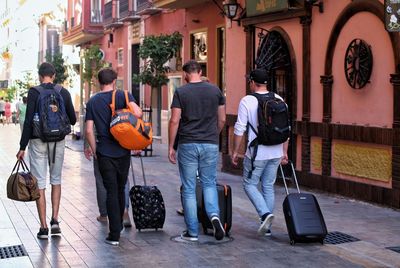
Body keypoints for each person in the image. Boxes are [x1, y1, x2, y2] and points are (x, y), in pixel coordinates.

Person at [16, 62, 77, 239]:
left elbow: (28, 121)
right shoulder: (63, 92)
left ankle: (43, 228)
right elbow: (72, 120)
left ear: (39, 75)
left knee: (40, 183)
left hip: (37, 141)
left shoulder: (34, 92)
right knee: (56, 179)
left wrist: (22, 147)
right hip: (57, 141)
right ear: (54, 75)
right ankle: (55, 220)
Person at [168, 60, 226, 242]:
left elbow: (174, 121)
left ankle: (192, 232)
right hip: (210, 143)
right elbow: (222, 119)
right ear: (200, 71)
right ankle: (214, 216)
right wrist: (212, 135)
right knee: (209, 182)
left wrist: (171, 146)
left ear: (185, 74)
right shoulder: (215, 90)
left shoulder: (181, 92)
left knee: (189, 188)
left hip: (188, 143)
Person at [85, 68, 141, 246]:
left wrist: (95, 151)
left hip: (104, 151)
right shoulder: (124, 95)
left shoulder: (93, 101)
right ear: (114, 81)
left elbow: (88, 130)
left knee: (111, 190)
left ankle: (114, 233)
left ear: (99, 82)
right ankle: (120, 224)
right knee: (120, 186)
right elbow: (138, 113)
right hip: (123, 150)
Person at [231, 68, 288, 237]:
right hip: (276, 151)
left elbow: (239, 128)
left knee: (249, 184)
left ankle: (264, 214)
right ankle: (267, 227)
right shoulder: (279, 99)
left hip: (257, 152)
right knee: (268, 186)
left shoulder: (247, 101)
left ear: (252, 83)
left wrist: (235, 151)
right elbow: (286, 129)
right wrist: (284, 152)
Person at [83, 129, 132, 226]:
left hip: (101, 145)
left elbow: (89, 129)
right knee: (123, 179)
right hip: (122, 142)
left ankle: (104, 214)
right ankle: (124, 212)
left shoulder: (95, 112)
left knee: (101, 180)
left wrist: (88, 145)